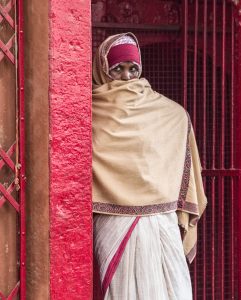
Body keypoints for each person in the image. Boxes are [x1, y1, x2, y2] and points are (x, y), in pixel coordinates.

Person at [92, 32, 207, 300]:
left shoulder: (170, 114)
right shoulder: (89, 111)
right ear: (101, 70)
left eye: (133, 69)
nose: (127, 77)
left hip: (160, 222)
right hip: (113, 222)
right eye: (117, 69)